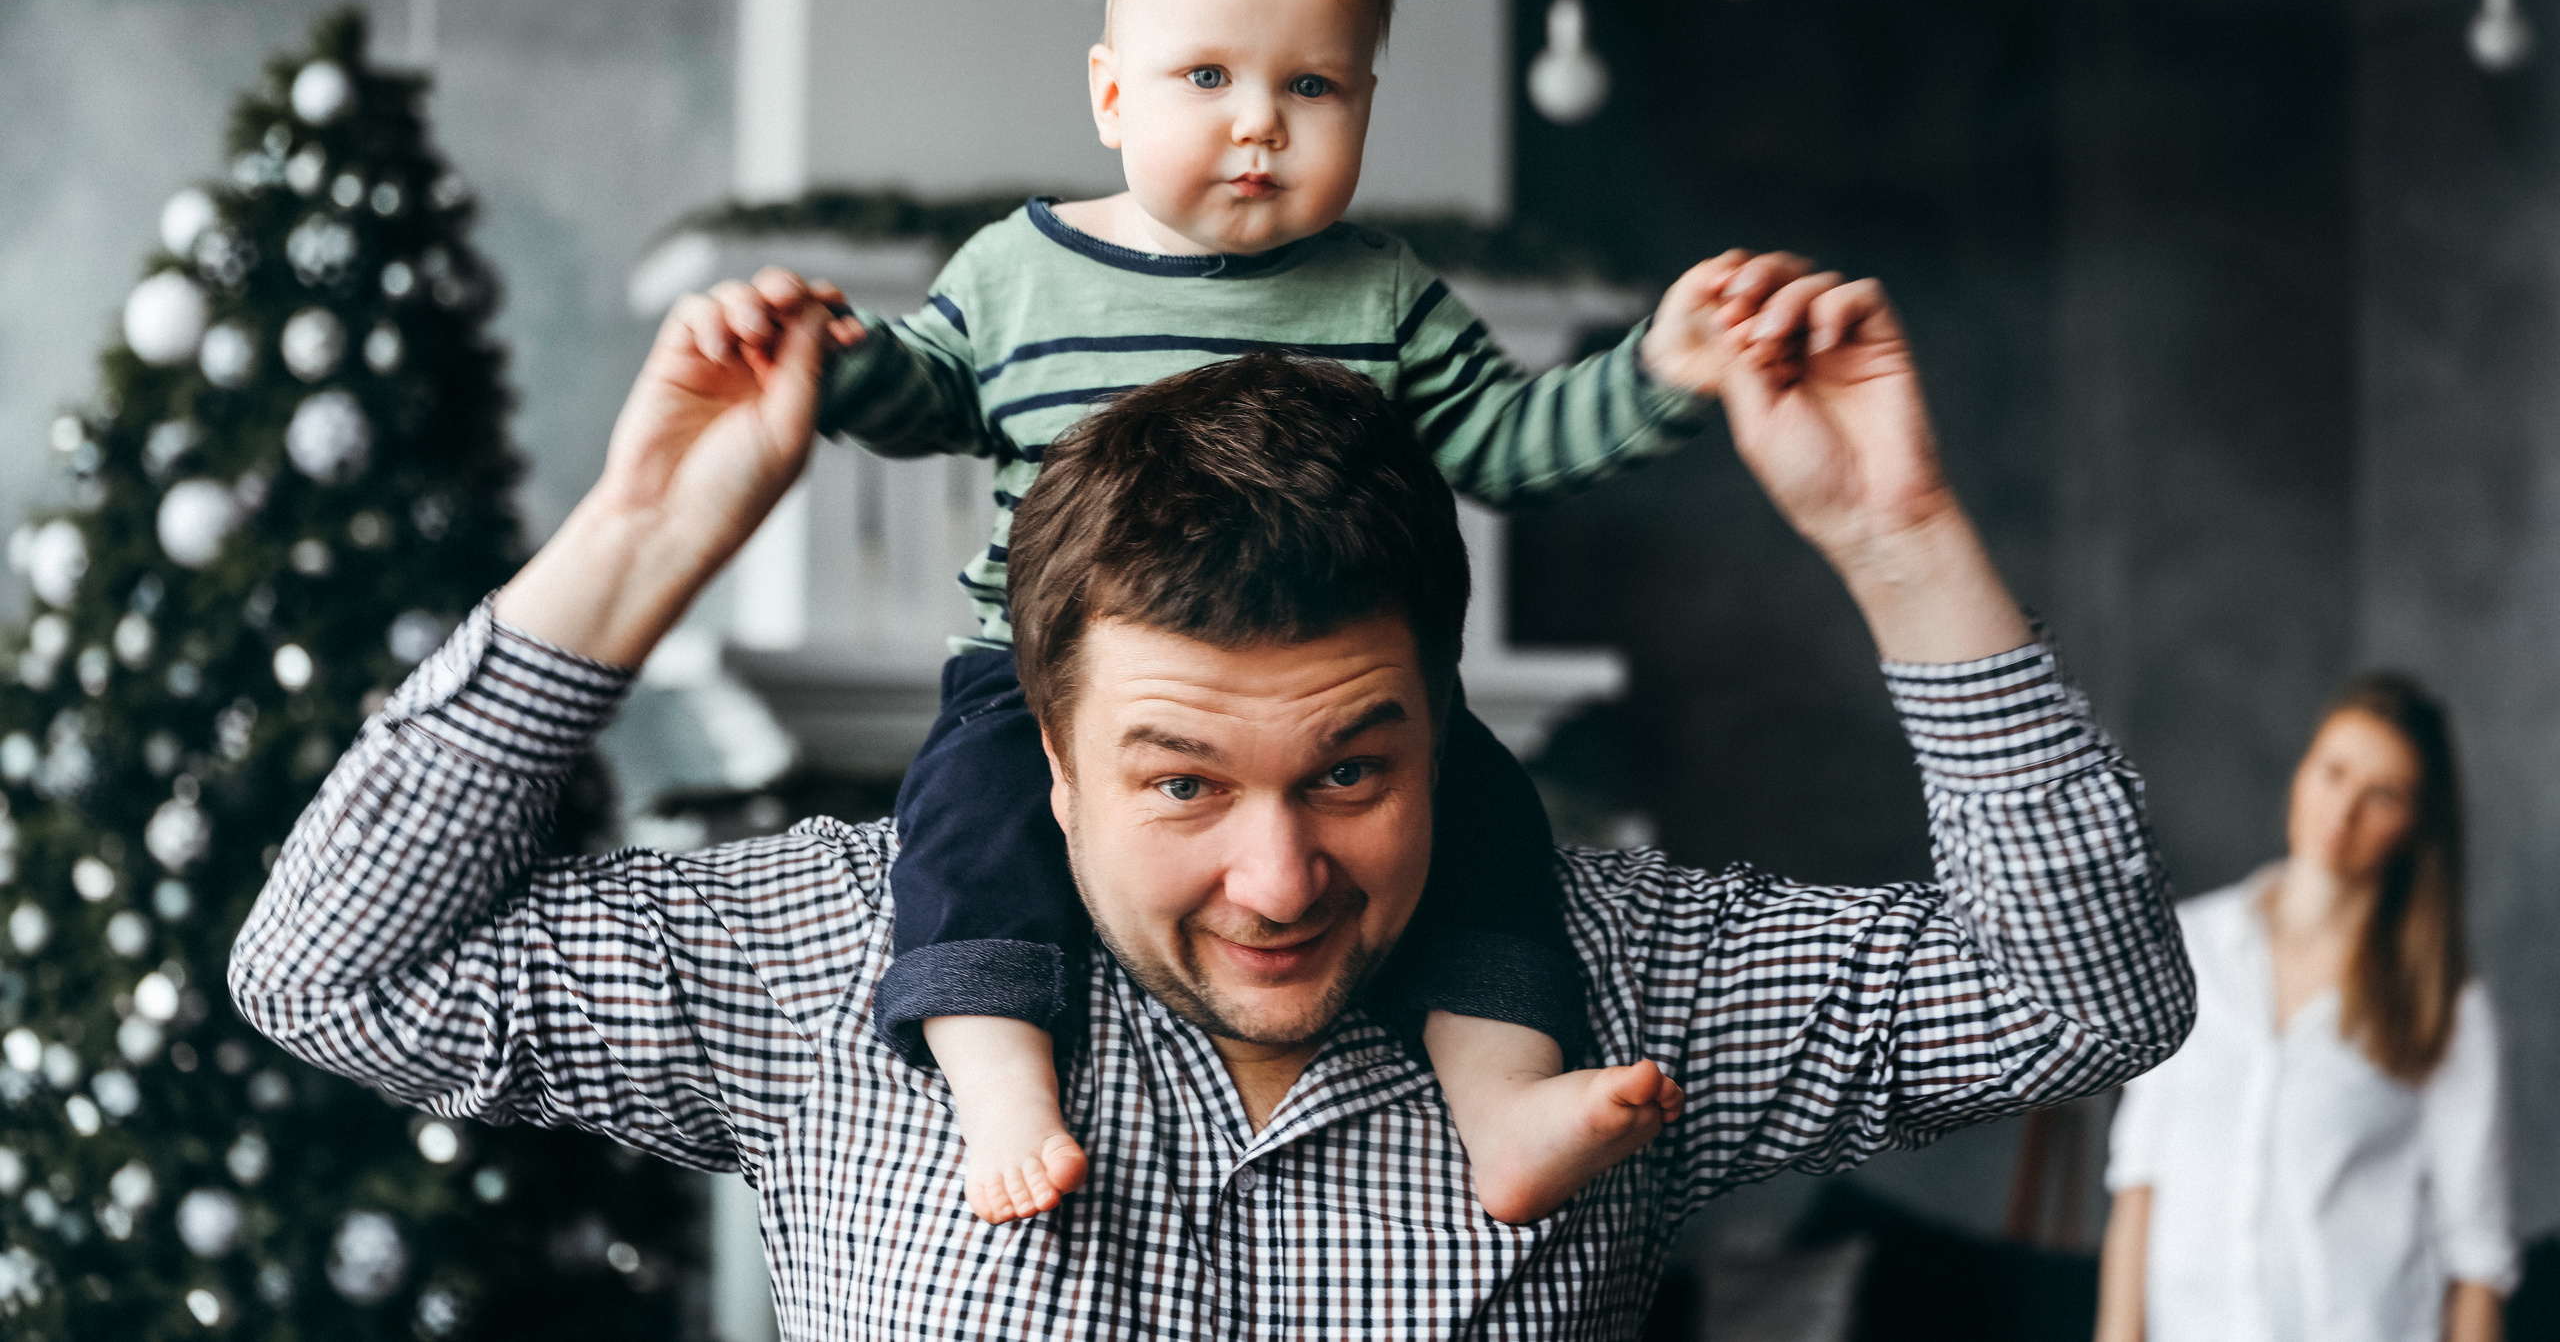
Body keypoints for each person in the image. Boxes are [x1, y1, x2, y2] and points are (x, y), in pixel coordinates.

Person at [230, 255, 2197, 1340]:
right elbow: (331, 971)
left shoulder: (1618, 971)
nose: (1280, 874)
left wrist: (1900, 536)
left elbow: (2079, 997)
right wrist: (642, 536)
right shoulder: (825, 948)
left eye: (1354, 766)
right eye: (1181, 781)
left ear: (1439, 710)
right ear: (1044, 753)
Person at [790, 0, 1769, 1225]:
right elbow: (927, 391)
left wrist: (1665, 372)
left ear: (1368, 97)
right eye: (1209, 78)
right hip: (1042, 673)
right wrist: (826, 363)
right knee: (966, 825)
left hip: (1336, 683)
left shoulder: (1381, 293)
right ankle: (1002, 1079)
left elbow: (1508, 439)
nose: (1260, 123)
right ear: (1111, 90)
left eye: (1312, 86)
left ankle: (1501, 1104)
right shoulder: (1019, 272)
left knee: (1487, 817)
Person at [2096, 676, 2515, 1342]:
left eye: (2382, 793)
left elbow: (2476, 1255)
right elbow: (2140, 1178)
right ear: (2302, 772)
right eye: (2334, 771)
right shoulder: (2190, 950)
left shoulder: (2447, 1002)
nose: (2343, 810)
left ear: (2414, 827)